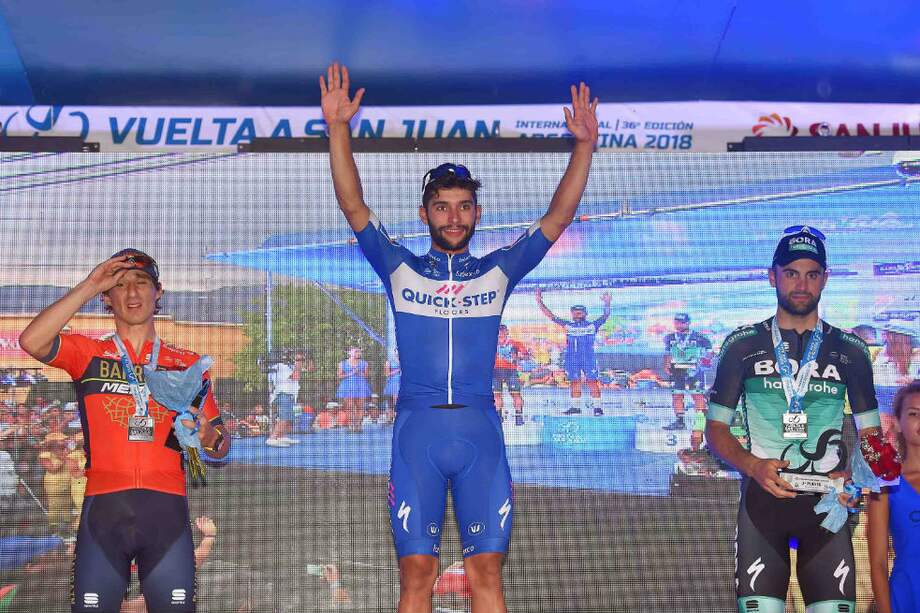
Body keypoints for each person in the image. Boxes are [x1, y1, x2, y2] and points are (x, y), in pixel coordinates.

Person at [320, 62, 598, 613]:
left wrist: (583, 146)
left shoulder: (498, 270)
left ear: (476, 213)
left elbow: (559, 216)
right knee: (417, 577)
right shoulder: (399, 266)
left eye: (464, 206)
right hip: (416, 431)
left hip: (480, 430)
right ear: (425, 213)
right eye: (442, 206)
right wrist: (337, 130)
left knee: (486, 574)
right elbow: (353, 206)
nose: (454, 216)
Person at [18, 248, 230, 613]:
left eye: (142, 283)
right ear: (107, 297)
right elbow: (31, 341)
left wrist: (209, 437)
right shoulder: (88, 353)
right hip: (104, 512)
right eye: (120, 285)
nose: (132, 294)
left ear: (158, 292)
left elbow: (222, 449)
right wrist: (88, 285)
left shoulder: (189, 364)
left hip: (166, 512)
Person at [705, 226, 887, 613]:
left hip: (828, 511)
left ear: (825, 278)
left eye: (811, 273)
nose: (801, 284)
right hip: (762, 509)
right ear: (772, 276)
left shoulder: (851, 351)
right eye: (791, 273)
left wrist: (855, 482)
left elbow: (872, 436)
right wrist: (752, 464)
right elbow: (716, 430)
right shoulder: (743, 345)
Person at [868, 381, 920, 613]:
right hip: (905, 596)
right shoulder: (886, 482)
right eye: (913, 414)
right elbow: (878, 563)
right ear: (897, 423)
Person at [534, 289, 611, 415]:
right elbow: (550, 315)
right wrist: (539, 301)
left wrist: (607, 303)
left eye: (579, 312)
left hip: (588, 358)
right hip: (572, 359)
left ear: (585, 314)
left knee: (592, 381)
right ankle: (575, 407)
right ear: (572, 314)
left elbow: (605, 316)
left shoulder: (592, 326)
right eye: (574, 313)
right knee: (574, 381)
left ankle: (597, 408)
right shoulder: (568, 325)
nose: (577, 314)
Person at [662, 313, 713, 431]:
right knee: (677, 395)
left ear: (688, 323)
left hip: (694, 370)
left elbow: (710, 354)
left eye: (681, 322)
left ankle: (700, 423)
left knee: (697, 396)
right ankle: (680, 422)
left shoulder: (701, 338)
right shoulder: (669, 337)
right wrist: (666, 365)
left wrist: (704, 361)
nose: (678, 324)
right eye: (676, 322)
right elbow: (667, 353)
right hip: (676, 371)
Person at [266, 351, 307, 447]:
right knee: (284, 418)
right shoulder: (281, 367)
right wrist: (298, 362)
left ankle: (281, 436)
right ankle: (272, 438)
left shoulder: (285, 367)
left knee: (289, 418)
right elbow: (296, 376)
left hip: (290, 394)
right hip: (284, 394)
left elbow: (308, 369)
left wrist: (301, 362)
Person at [493, 325, 528, 426]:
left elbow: (526, 356)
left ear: (507, 332)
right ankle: (498, 417)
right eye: (499, 331)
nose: (501, 333)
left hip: (511, 371)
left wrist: (519, 357)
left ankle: (519, 416)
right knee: (496, 395)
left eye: (502, 331)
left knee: (516, 394)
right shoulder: (490, 343)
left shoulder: (515, 343)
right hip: (495, 371)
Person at [336, 346, 372, 433]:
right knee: (349, 407)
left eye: (359, 352)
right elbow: (339, 375)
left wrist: (359, 373)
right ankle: (351, 425)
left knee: (360, 407)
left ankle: (358, 425)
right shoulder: (342, 363)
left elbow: (367, 375)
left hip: (361, 385)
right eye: (356, 351)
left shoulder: (364, 363)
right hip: (347, 386)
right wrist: (351, 373)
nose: (358, 353)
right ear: (349, 353)